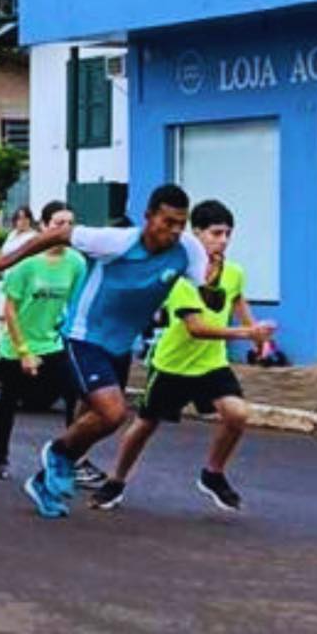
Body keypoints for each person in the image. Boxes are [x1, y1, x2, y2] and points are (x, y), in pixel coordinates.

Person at [0, 182, 210, 520]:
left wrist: (214, 288)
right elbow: (59, 235)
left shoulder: (189, 250)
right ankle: (57, 453)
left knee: (93, 420)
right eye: (167, 222)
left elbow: (205, 292)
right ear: (149, 217)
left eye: (180, 224)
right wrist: (6, 260)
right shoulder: (116, 242)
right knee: (113, 413)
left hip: (121, 346)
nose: (174, 231)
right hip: (84, 336)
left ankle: (44, 482)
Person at [95, 199, 274, 513]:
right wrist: (247, 333)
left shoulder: (233, 272)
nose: (223, 240)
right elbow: (196, 328)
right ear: (197, 234)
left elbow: (236, 299)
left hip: (211, 365)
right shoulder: (181, 275)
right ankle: (116, 481)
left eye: (228, 234)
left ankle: (213, 474)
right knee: (145, 426)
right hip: (172, 366)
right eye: (216, 233)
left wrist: (259, 337)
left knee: (237, 414)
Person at [0, 201, 81, 479]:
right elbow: (9, 310)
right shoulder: (26, 263)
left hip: (52, 343)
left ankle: (70, 457)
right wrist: (23, 351)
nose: (65, 229)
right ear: (43, 227)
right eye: (58, 223)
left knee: (75, 394)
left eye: (70, 223)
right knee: (8, 400)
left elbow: (75, 304)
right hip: (18, 344)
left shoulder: (76, 262)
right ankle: (1, 458)